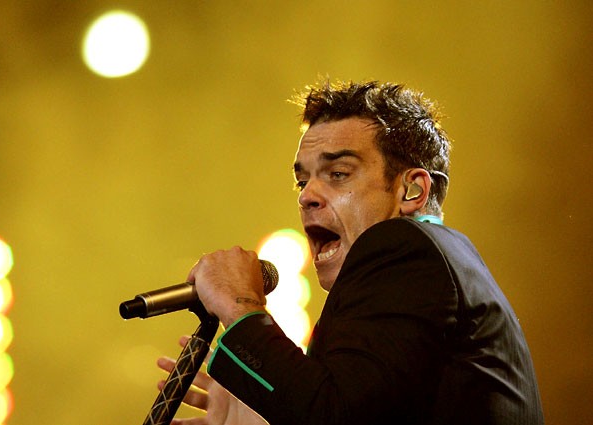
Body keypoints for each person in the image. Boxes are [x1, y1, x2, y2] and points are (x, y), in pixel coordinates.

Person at [157, 80, 544, 424]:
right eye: (302, 181)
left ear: (412, 190)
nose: (307, 196)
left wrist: (240, 308)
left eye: (338, 173)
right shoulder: (441, 264)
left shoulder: (405, 248)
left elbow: (333, 416)